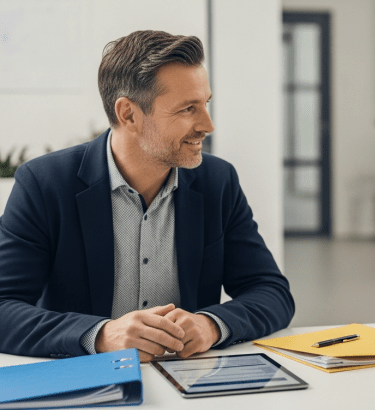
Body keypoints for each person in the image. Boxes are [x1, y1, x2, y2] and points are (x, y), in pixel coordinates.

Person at [0, 30, 294, 362]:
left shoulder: (218, 181)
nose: (207, 125)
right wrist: (100, 336)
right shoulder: (44, 184)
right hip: (87, 388)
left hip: (189, 387)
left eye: (205, 104)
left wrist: (212, 324)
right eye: (187, 109)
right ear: (128, 114)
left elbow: (272, 293)